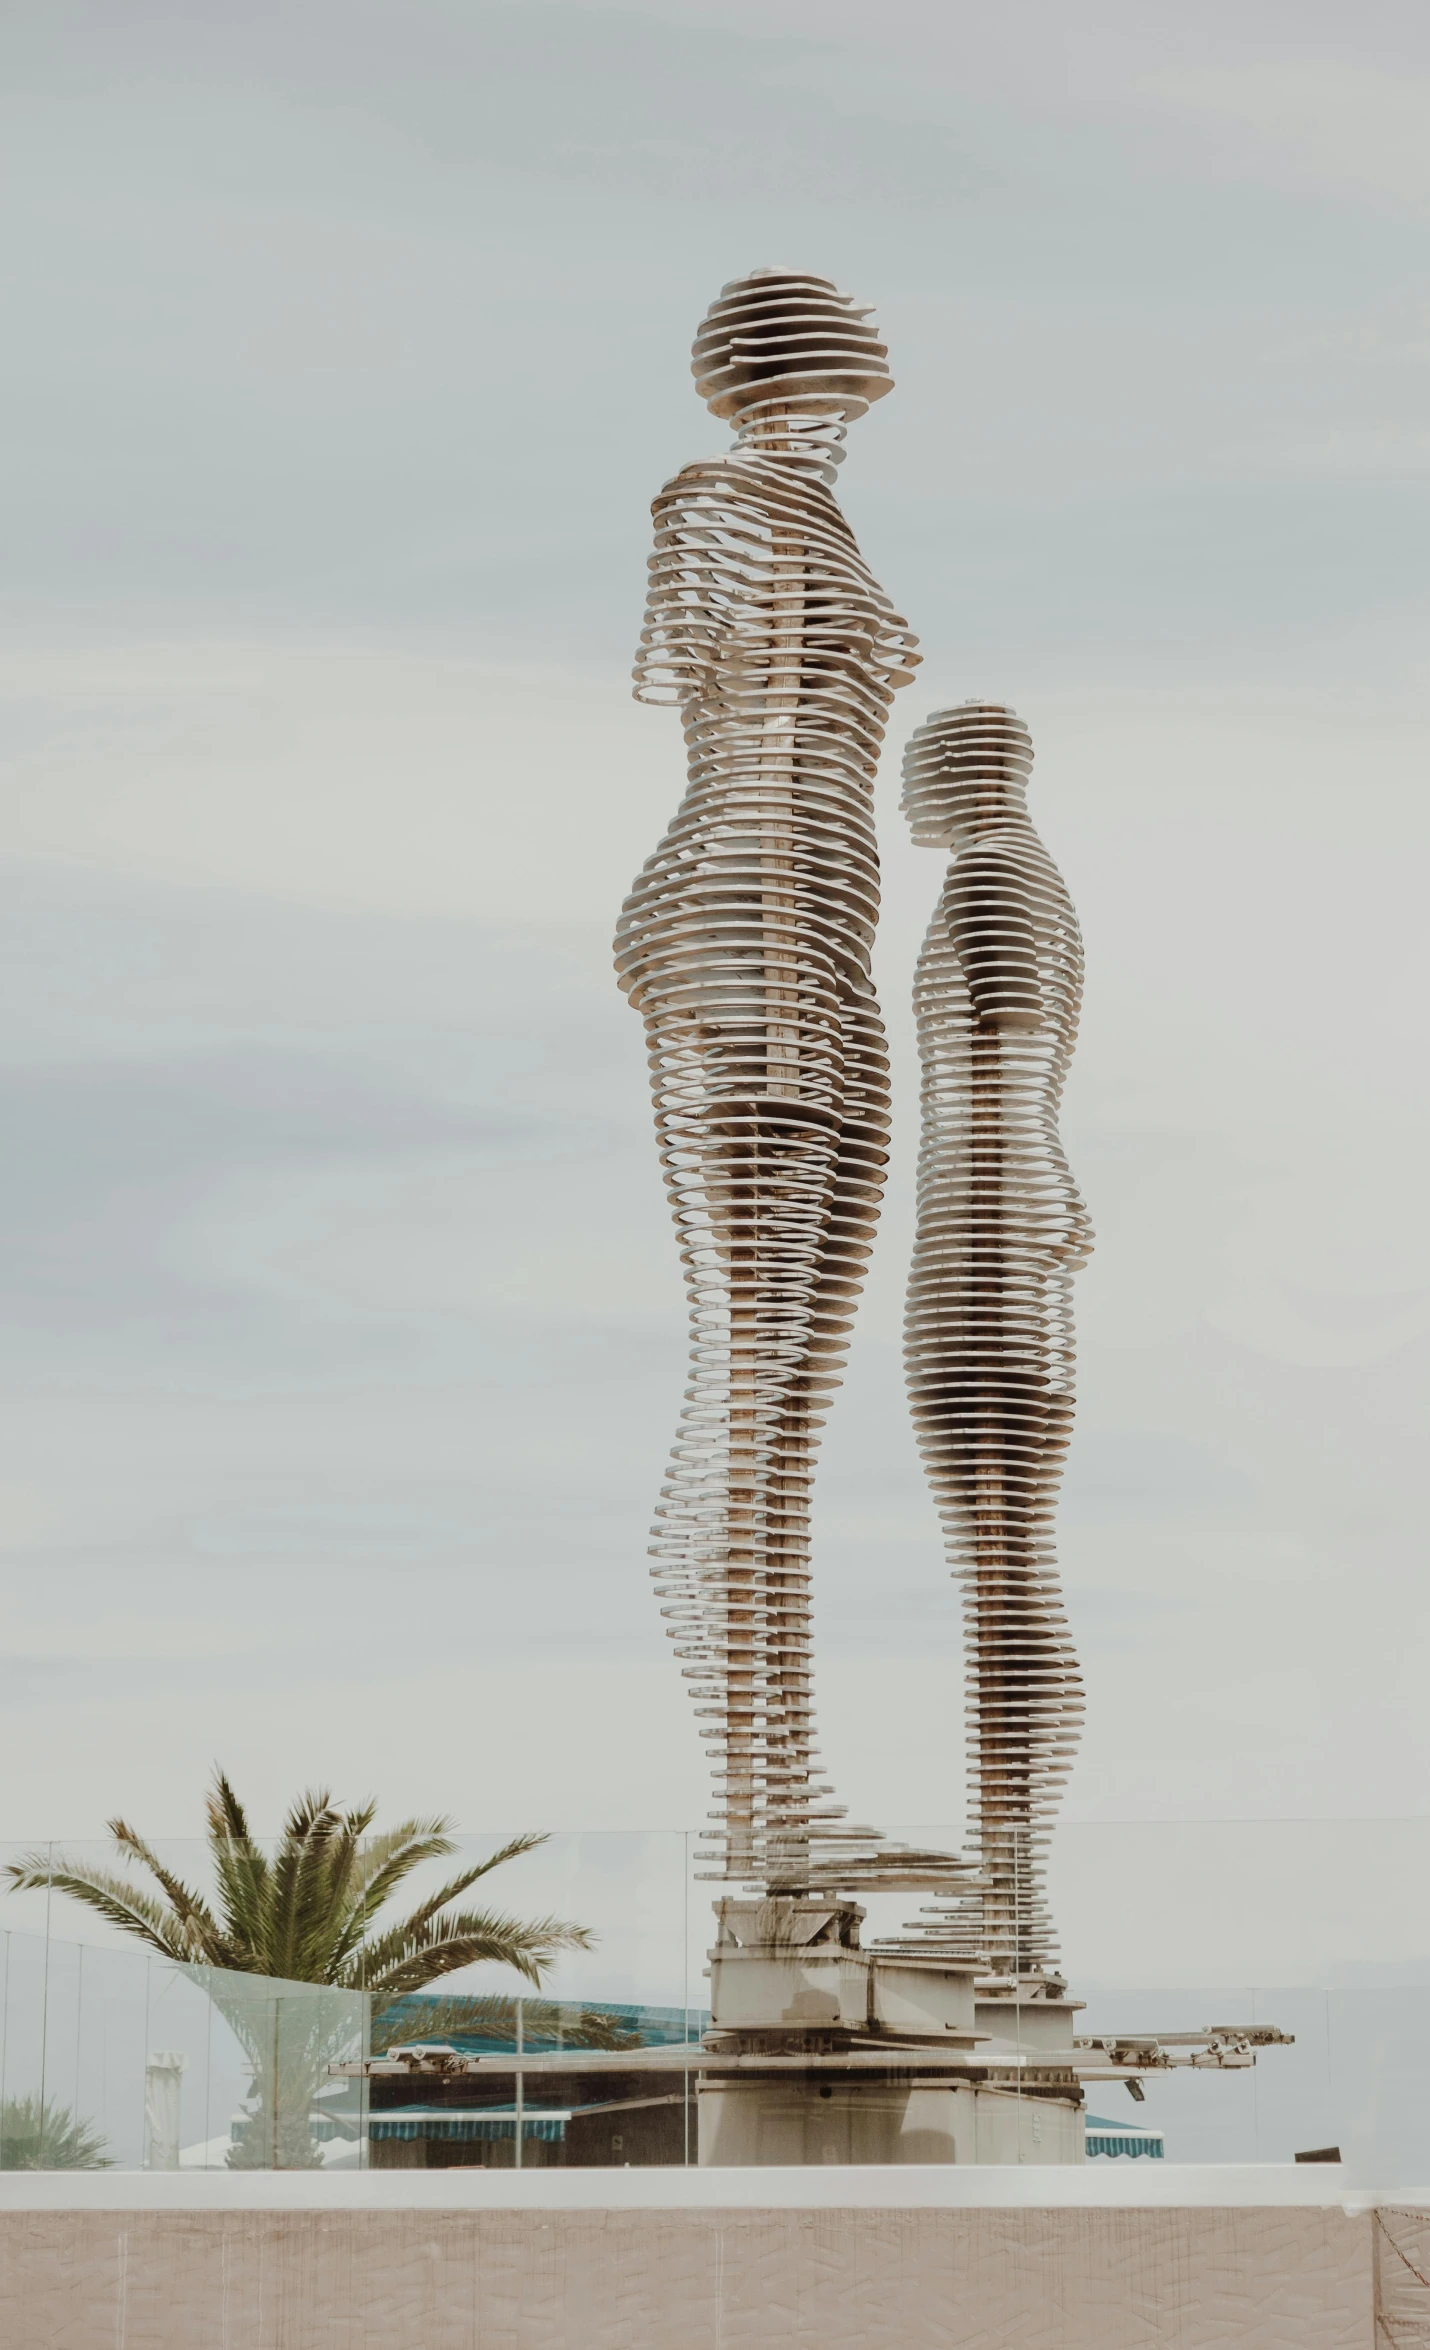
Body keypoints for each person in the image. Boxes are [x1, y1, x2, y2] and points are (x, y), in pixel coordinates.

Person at [615, 270, 918, 1884]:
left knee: (790, 1399)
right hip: (754, 932)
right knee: (746, 1385)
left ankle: (787, 1788)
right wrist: (792, 990)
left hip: (818, 938)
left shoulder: (802, 515)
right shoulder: (722, 503)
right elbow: (733, 725)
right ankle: (759, 1796)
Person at [899, 702, 1093, 1975]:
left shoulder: (991, 879)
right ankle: (1010, 1881)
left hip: (981, 1251)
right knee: (1008, 1566)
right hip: (1001, 1243)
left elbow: (1005, 1074)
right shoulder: (1032, 881)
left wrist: (1009, 1233)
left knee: (1005, 1569)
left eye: (915, 769)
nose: (902, 797)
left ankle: (1011, 1887)